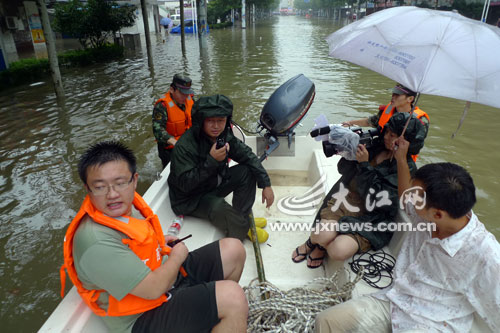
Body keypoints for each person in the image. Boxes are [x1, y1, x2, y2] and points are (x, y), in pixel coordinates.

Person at [60, 141, 248, 333]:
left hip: (167, 279)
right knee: (232, 298)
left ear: (134, 180)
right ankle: (221, 315)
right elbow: (154, 289)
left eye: (120, 183)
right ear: (88, 189)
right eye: (100, 187)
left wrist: (159, 241)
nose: (112, 194)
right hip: (142, 316)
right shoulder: (94, 241)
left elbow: (135, 238)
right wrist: (178, 255)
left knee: (234, 250)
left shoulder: (123, 207)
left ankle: (214, 321)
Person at [315, 158, 500, 332]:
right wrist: (402, 158)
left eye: (416, 197)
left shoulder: (486, 254)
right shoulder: (427, 214)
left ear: (437, 214)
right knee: (327, 321)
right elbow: (404, 196)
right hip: (394, 300)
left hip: (433, 322)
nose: (409, 199)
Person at [292, 112, 426, 268]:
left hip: (373, 218)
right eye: (388, 132)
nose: (388, 137)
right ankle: (316, 243)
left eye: (394, 135)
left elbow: (380, 201)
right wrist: (348, 152)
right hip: (348, 200)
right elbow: (343, 170)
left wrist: (364, 165)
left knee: (338, 251)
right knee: (323, 234)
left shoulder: (406, 168)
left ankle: (323, 243)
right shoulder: (374, 146)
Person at [168, 94, 275, 243]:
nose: (216, 126)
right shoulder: (184, 147)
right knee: (217, 205)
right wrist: (211, 161)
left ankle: (240, 218)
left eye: (221, 121)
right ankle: (243, 228)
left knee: (247, 171)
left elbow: (247, 156)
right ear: (201, 121)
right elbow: (185, 185)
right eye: (210, 121)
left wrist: (266, 184)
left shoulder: (223, 136)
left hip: (211, 184)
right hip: (189, 199)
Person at [342, 83, 429, 161]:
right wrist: (350, 123)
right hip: (380, 149)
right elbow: (372, 121)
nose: (393, 97)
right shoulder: (389, 109)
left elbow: (416, 146)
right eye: (393, 93)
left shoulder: (419, 120)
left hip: (400, 160)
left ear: (410, 98)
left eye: (397, 95)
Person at [152, 74, 195, 168]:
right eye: (182, 93)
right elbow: (158, 131)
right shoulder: (162, 106)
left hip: (188, 144)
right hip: (170, 149)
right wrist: (175, 143)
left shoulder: (190, 98)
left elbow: (200, 115)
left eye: (187, 93)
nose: (185, 96)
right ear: (172, 89)